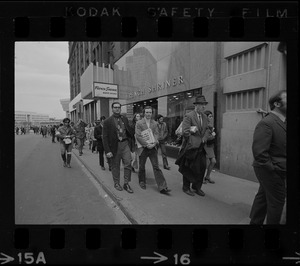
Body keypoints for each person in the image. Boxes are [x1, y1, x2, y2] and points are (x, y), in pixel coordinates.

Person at [249, 90, 287, 224]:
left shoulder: (282, 122)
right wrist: (274, 170)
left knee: (263, 197)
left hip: (275, 170)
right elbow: (260, 153)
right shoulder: (267, 123)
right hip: (272, 171)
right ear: (277, 103)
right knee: (277, 203)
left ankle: (254, 223)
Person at [175, 95, 212, 197]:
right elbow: (185, 132)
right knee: (189, 167)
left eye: (204, 105)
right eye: (202, 105)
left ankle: (197, 187)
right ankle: (186, 187)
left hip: (201, 148)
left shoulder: (204, 117)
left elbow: (208, 129)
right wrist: (195, 140)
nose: (204, 107)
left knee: (201, 167)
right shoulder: (189, 116)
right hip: (191, 147)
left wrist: (204, 138)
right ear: (196, 105)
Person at [135, 106, 171, 194]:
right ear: (144, 113)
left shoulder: (154, 123)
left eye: (150, 112)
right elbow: (138, 136)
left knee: (156, 167)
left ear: (152, 113)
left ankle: (162, 187)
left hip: (153, 148)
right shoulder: (139, 123)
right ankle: (142, 181)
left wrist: (154, 143)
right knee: (142, 166)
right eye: (147, 112)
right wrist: (147, 144)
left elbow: (156, 134)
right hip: (143, 148)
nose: (148, 114)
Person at [102, 102, 134, 193]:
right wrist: (107, 151)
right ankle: (116, 183)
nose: (117, 109)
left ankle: (126, 183)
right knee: (115, 166)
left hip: (125, 144)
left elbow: (129, 131)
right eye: (115, 107)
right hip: (114, 146)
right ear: (112, 109)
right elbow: (105, 137)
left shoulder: (124, 119)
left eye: (118, 107)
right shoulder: (107, 121)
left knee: (128, 163)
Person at [203, 110, 216, 184]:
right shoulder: (204, 125)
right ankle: (201, 178)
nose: (211, 118)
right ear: (206, 117)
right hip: (205, 146)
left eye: (212, 116)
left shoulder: (210, 125)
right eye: (210, 116)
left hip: (210, 146)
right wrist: (213, 136)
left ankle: (207, 176)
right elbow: (206, 137)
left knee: (213, 161)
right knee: (204, 164)